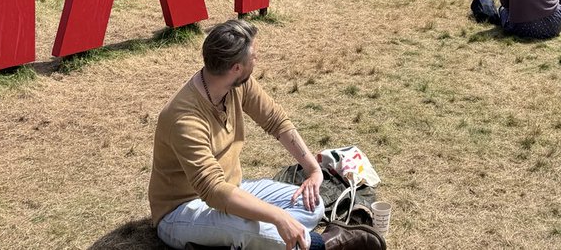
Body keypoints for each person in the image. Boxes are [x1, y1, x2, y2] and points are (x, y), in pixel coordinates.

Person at [149, 20, 385, 250]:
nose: (257, 59)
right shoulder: (184, 118)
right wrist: (278, 217)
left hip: (233, 188)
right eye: (253, 55)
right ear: (236, 68)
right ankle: (327, 243)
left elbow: (275, 120)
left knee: (312, 205)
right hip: (182, 209)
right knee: (256, 228)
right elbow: (213, 191)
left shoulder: (238, 84)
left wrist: (313, 170)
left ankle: (260, 241)